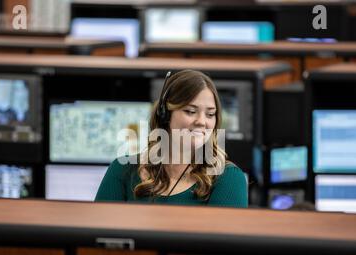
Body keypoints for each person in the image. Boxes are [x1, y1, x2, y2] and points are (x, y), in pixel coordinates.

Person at [95, 69, 248, 208]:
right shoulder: (123, 170)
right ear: (165, 116)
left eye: (210, 114)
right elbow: (98, 234)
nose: (202, 121)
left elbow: (218, 239)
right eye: (190, 111)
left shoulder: (228, 179)